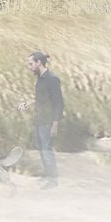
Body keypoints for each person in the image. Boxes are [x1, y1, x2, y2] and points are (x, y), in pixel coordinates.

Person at [26, 50, 64, 189]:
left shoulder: (52, 79)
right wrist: (29, 103)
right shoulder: (40, 79)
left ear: (38, 63)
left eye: (31, 64)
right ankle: (47, 175)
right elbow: (42, 99)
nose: (29, 67)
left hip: (47, 122)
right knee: (41, 148)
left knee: (47, 150)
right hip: (39, 120)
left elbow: (59, 102)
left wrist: (55, 124)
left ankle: (53, 181)